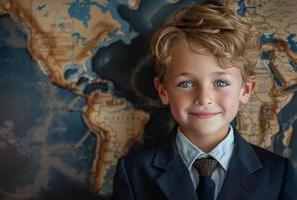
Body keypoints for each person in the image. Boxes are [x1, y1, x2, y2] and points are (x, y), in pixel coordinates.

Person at [112, 1, 297, 200]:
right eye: (186, 83)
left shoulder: (278, 174)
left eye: (220, 82)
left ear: (246, 89)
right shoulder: (133, 172)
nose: (204, 98)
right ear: (163, 90)